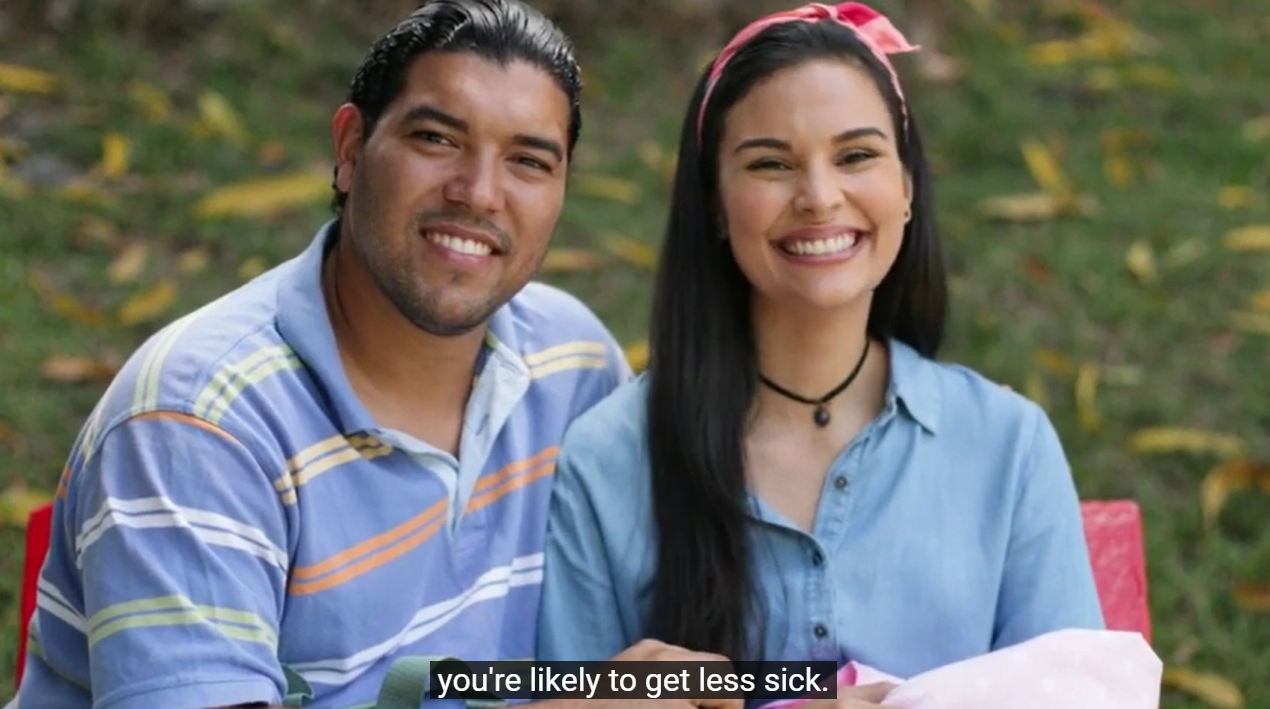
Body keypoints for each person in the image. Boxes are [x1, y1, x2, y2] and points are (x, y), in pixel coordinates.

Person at [12, 2, 746, 709]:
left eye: (528, 160)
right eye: (437, 139)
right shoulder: (197, 422)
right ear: (351, 149)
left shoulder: (571, 363)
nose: (479, 193)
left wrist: (787, 693)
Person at [535, 1, 1105, 705]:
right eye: (771, 163)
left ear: (905, 188)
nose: (819, 196)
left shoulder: (1010, 446)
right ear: (714, 203)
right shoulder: (607, 458)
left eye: (856, 155)